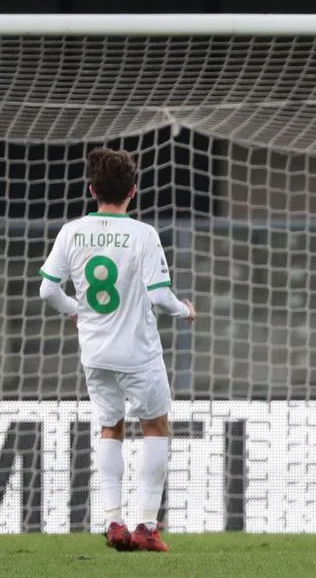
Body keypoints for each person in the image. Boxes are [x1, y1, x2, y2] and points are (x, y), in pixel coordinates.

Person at [38, 147, 196, 553]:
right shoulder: (143, 234)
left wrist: (76, 311)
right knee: (156, 426)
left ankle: (113, 521)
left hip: (95, 353)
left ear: (92, 190)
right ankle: (145, 525)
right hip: (138, 352)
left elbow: (47, 289)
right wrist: (185, 311)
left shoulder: (72, 232)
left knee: (111, 428)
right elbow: (160, 297)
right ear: (134, 191)